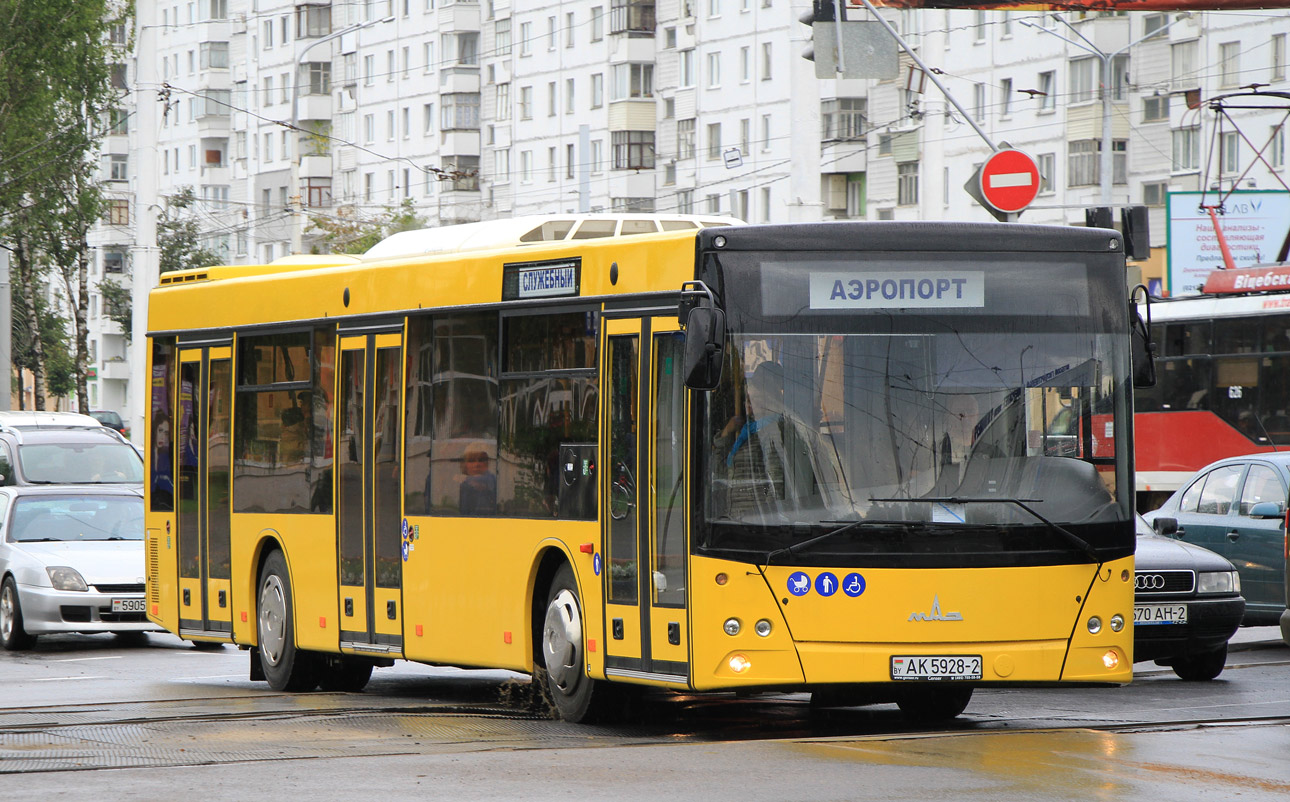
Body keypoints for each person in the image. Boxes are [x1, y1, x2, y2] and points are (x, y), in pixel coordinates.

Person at [458, 441, 497, 515]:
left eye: (481, 460)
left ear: (487, 463)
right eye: (471, 460)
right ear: (465, 464)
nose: (476, 464)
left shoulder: (493, 481)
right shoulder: (462, 484)